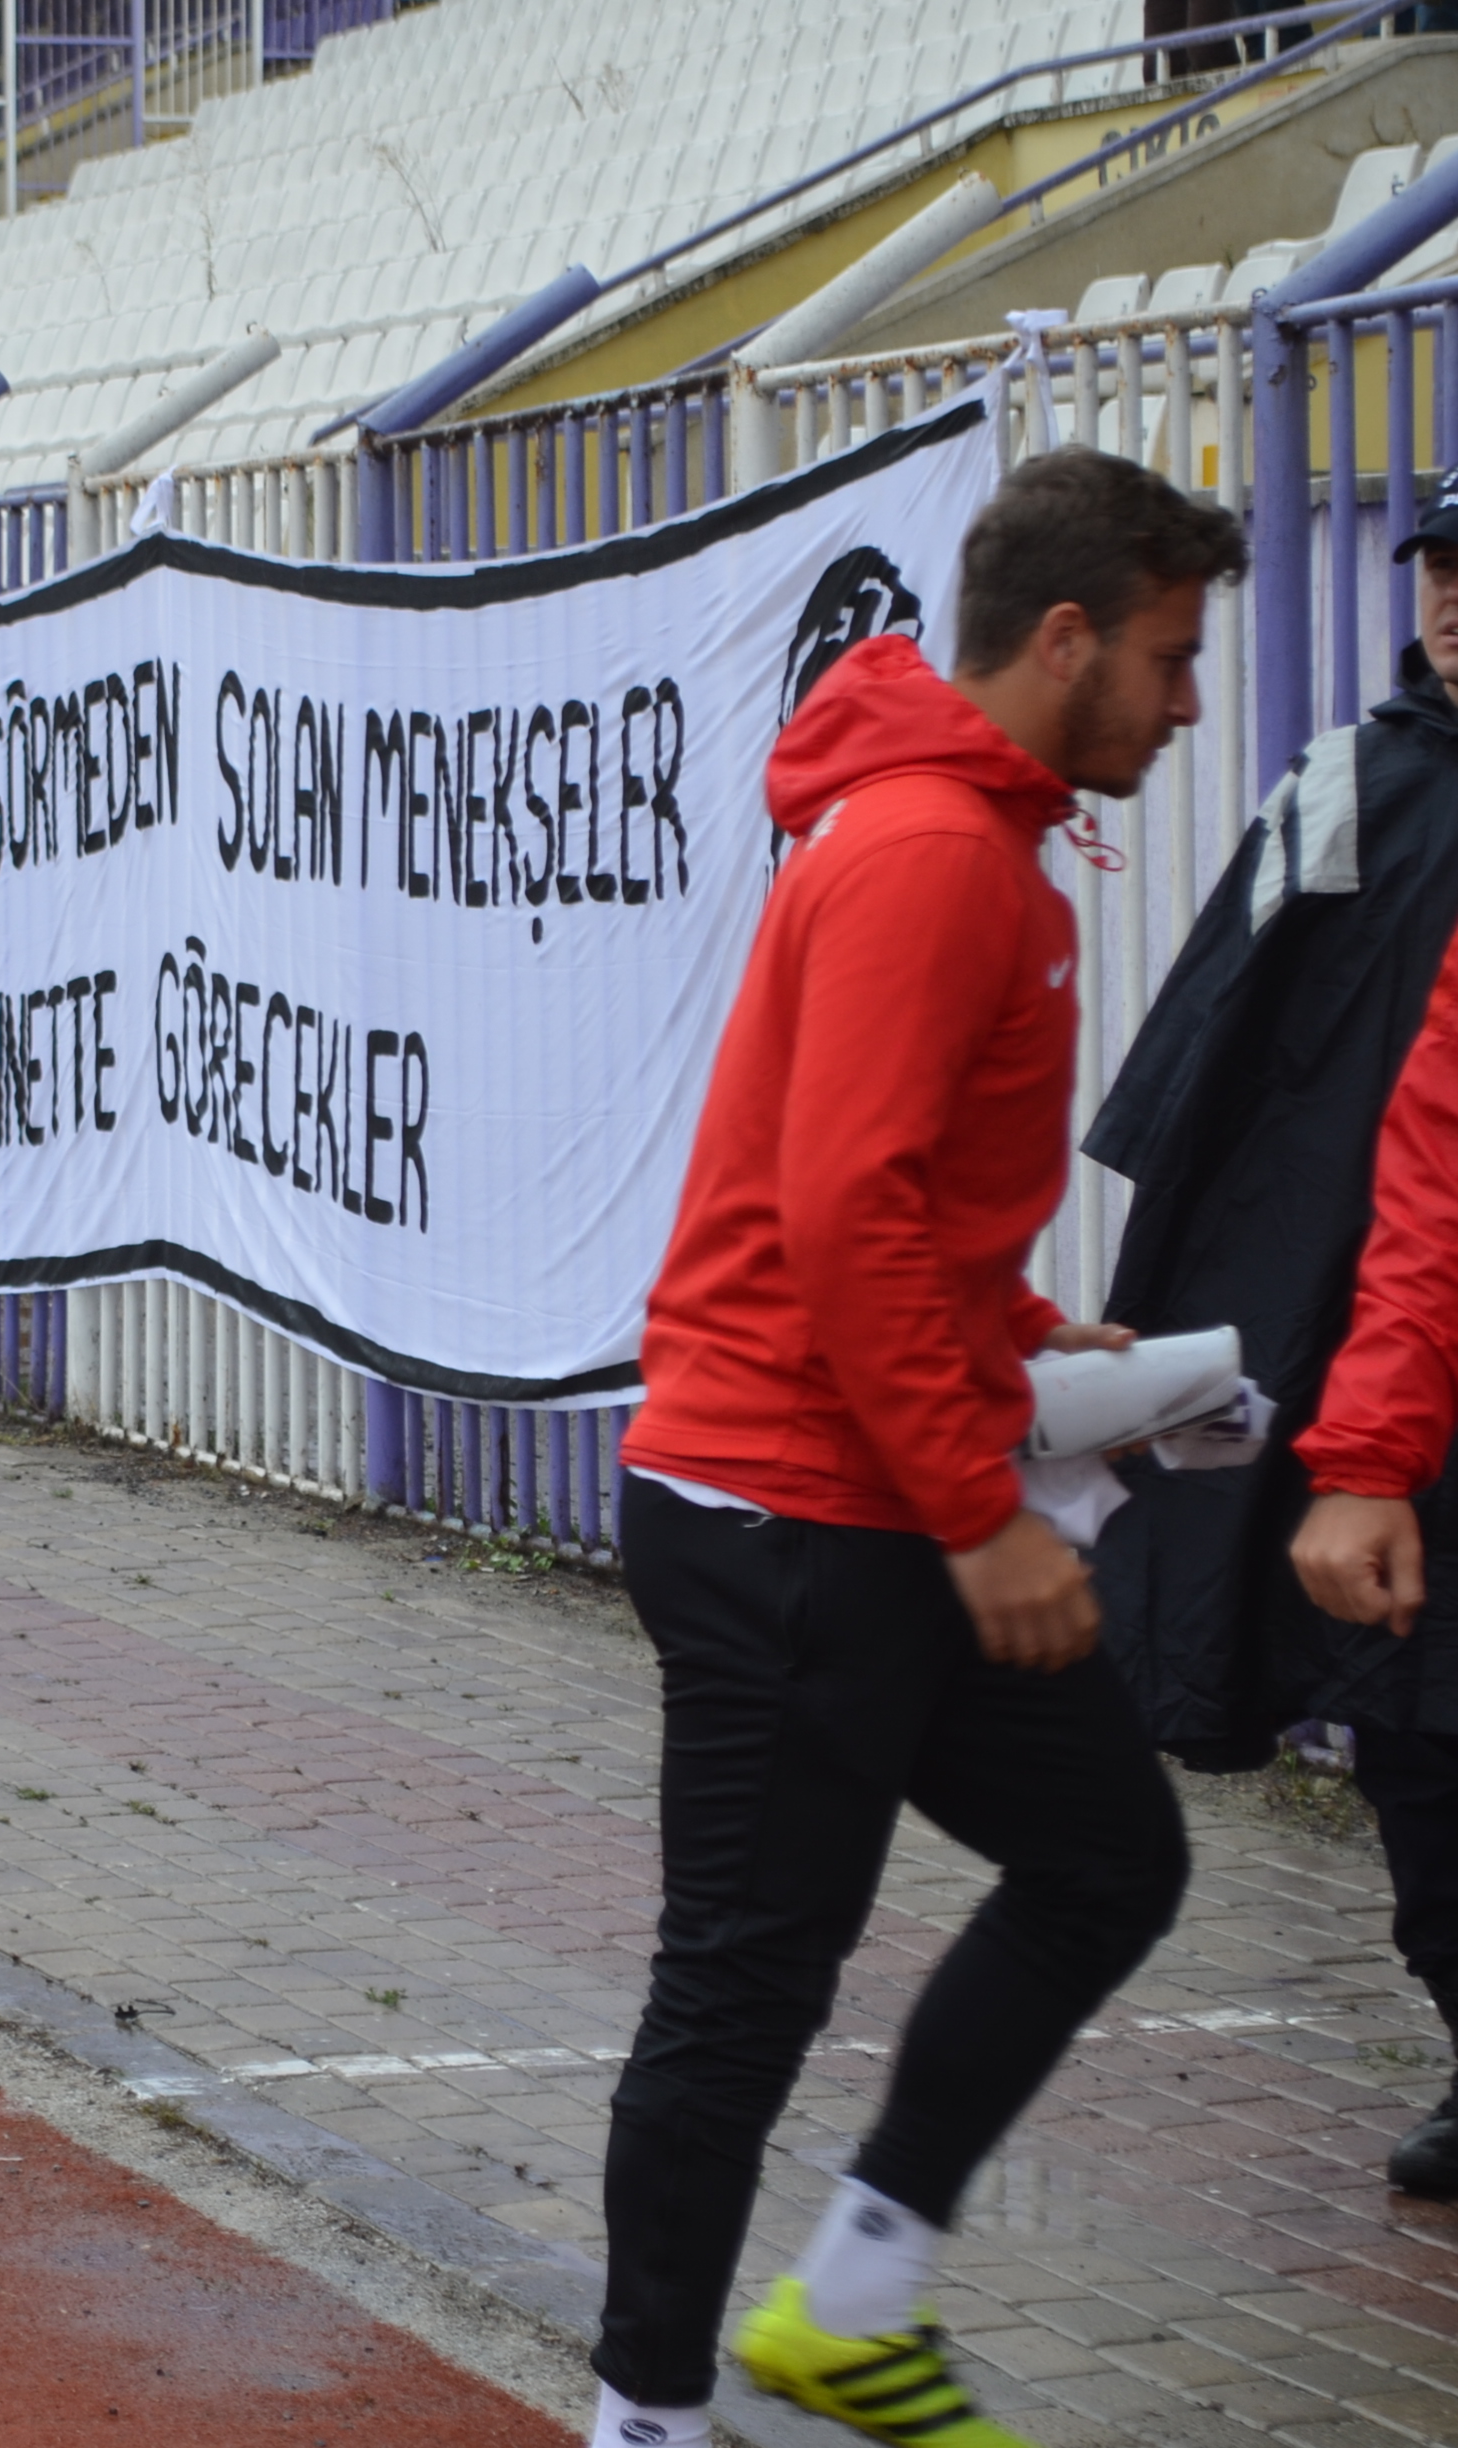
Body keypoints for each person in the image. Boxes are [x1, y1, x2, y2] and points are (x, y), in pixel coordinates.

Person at [589, 447, 1245, 2448]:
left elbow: (897, 1204)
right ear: (1065, 641)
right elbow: (836, 1208)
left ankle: (852, 2303)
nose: (1187, 701)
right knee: (746, 1985)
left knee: (1107, 1855)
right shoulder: (933, 856)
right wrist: (986, 1517)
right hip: (798, 1511)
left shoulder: (968, 838)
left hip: (871, 1493)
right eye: (1166, 657)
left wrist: (1035, 1336)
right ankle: (644, 2421)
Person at [1089, 475, 1458, 2202]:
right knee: (1410, 1720)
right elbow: (1213, 1063)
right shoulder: (1346, 787)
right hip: (1372, 1325)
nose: (1454, 600)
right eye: (1442, 569)